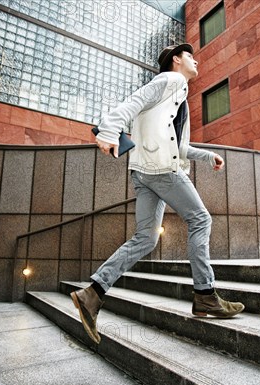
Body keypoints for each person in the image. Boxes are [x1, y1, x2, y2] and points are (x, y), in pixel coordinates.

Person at [71, 43, 244, 344]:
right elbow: (134, 101)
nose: (196, 60)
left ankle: (92, 293)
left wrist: (207, 155)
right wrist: (108, 129)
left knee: (146, 238)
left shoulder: (178, 100)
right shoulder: (170, 80)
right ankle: (205, 294)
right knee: (201, 219)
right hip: (162, 170)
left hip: (143, 172)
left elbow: (180, 147)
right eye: (190, 56)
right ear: (177, 60)